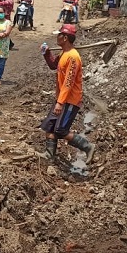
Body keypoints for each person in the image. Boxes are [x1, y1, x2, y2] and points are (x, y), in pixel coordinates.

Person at [37, 24, 96, 163]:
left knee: (61, 130)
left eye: (59, 35)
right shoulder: (63, 53)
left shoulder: (73, 57)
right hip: (61, 98)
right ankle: (49, 154)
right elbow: (53, 65)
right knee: (49, 126)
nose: (56, 37)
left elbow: (68, 83)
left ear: (65, 38)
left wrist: (60, 103)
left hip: (69, 100)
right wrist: (46, 53)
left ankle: (87, 147)